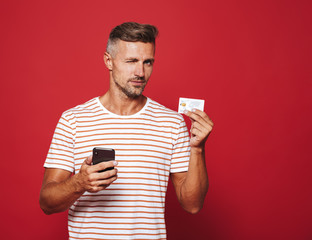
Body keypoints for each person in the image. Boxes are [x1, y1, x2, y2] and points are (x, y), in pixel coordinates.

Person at [39, 22, 214, 239]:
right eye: (131, 61)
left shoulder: (172, 123)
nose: (140, 72)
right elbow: (47, 203)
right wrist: (79, 183)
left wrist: (197, 149)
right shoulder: (73, 120)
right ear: (108, 61)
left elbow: (192, 204)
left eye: (147, 62)